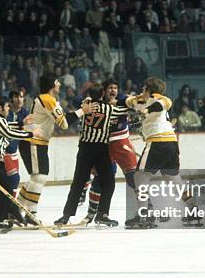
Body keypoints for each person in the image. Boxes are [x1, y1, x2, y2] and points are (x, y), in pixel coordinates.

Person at [125, 77, 198, 229]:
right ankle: (194, 211)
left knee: (140, 176)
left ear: (148, 90)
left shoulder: (157, 98)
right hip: (171, 143)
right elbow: (128, 101)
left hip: (157, 142)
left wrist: (145, 110)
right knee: (176, 181)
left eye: (143, 88)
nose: (141, 91)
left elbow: (161, 105)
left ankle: (143, 216)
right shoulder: (141, 100)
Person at [54, 83, 124, 226]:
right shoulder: (109, 108)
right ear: (103, 93)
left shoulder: (85, 105)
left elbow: (76, 106)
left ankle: (66, 216)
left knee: (78, 184)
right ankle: (102, 214)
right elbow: (124, 111)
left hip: (85, 148)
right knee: (109, 183)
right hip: (101, 150)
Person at [17, 73, 79, 223]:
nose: (59, 84)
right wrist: (82, 111)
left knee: (37, 178)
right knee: (40, 177)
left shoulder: (46, 99)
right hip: (33, 141)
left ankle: (15, 208)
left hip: (34, 140)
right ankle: (30, 213)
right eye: (57, 82)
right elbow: (63, 124)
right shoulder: (48, 99)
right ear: (52, 84)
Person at [81, 79, 139, 224]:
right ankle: (93, 214)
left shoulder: (123, 100)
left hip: (121, 144)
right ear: (103, 91)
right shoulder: (96, 104)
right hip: (104, 146)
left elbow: (134, 103)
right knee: (100, 181)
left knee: (134, 178)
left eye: (115, 88)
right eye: (110, 88)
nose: (113, 90)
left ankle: (147, 210)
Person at [0, 96, 43, 233]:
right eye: (6, 106)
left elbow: (9, 126)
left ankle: (0, 216)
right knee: (6, 191)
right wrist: (30, 133)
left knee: (6, 190)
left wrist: (22, 124)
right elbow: (8, 132)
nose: (8, 109)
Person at [3, 90, 29, 200]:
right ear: (10, 100)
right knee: (14, 179)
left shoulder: (25, 113)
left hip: (13, 152)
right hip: (2, 152)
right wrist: (22, 126)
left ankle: (9, 207)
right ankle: (11, 206)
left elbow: (31, 128)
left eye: (21, 97)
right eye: (16, 97)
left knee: (12, 183)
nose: (19, 99)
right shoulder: (5, 111)